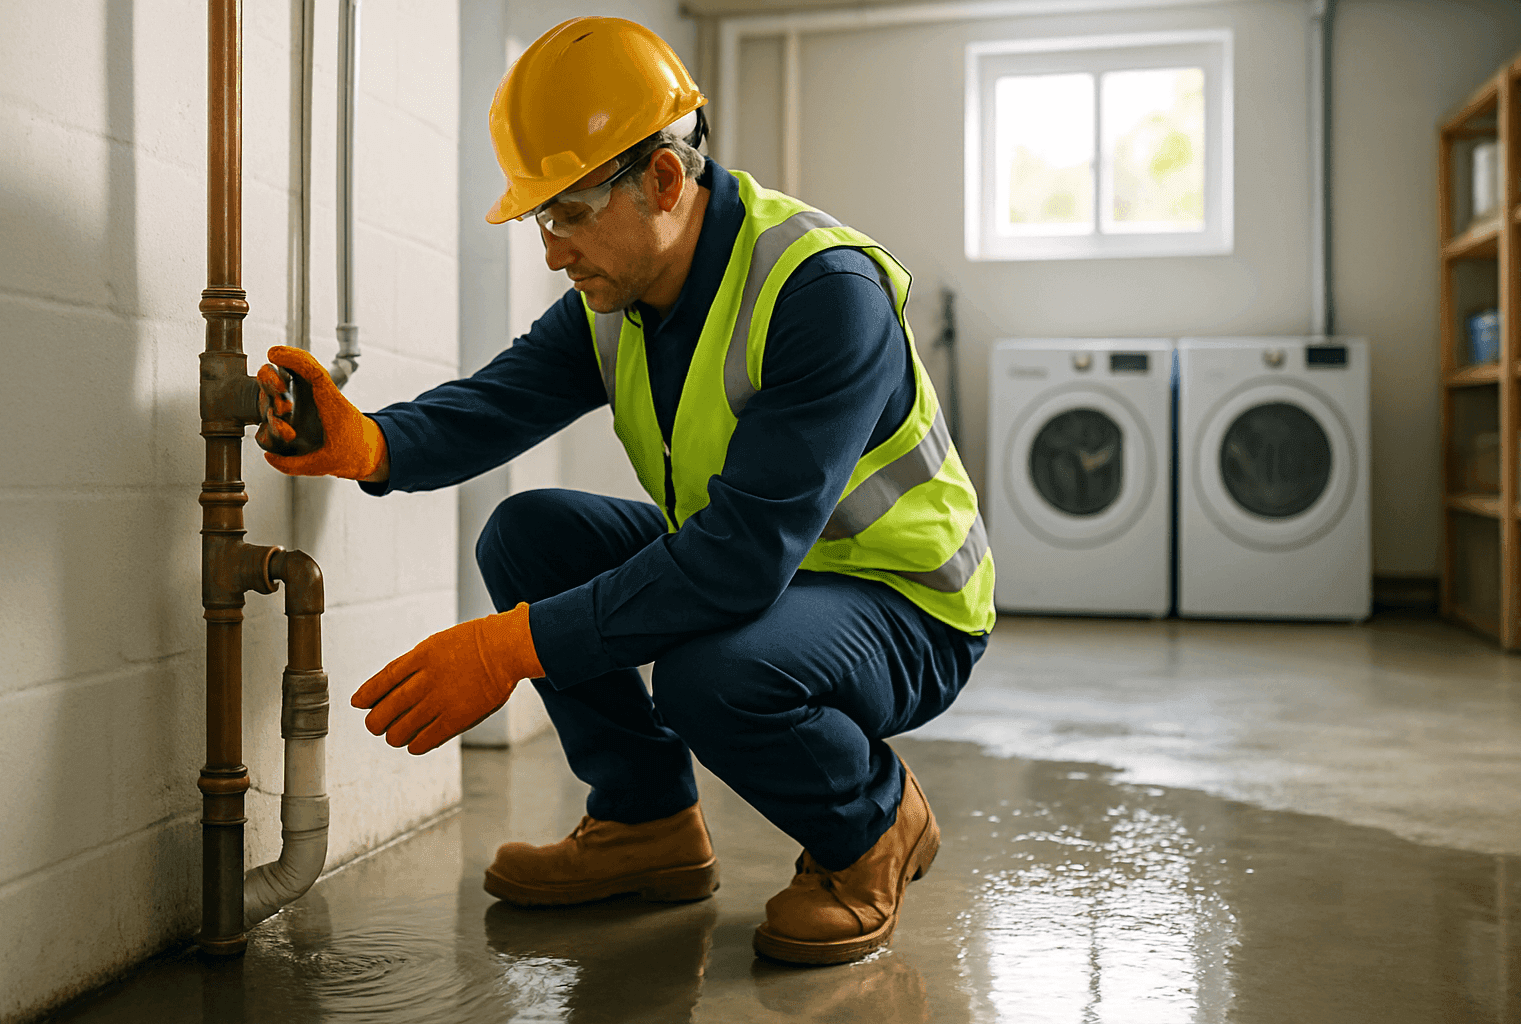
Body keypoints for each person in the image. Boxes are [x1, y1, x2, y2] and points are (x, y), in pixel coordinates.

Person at [254, 16, 994, 966]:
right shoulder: (619, 296)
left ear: (665, 181)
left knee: (712, 675)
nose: (553, 249)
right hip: (776, 574)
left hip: (904, 601)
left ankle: (873, 826)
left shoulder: (821, 291)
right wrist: (367, 444)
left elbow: (735, 562)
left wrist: (511, 646)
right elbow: (495, 404)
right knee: (529, 535)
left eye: (566, 213)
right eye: (540, 219)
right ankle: (647, 825)